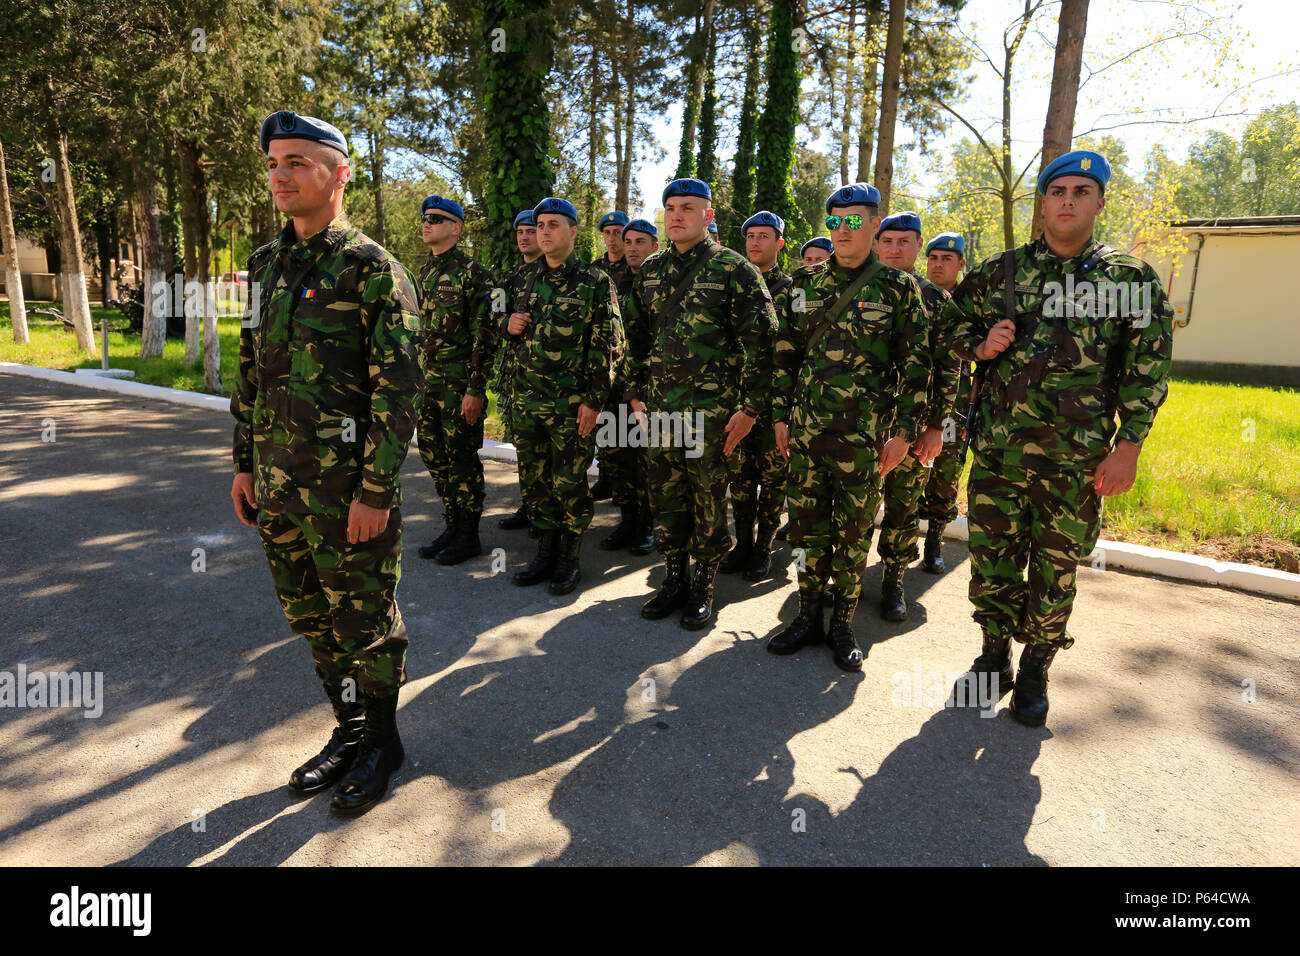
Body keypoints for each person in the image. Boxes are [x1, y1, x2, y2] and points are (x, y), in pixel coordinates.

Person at [230, 110, 422, 814]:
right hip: (280, 487)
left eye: (298, 162)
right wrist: (244, 464)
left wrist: (375, 491)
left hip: (349, 496)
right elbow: (250, 374)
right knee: (313, 620)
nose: (281, 175)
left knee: (365, 625)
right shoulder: (264, 266)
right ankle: (349, 730)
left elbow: (399, 392)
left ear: (340, 175)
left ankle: (384, 744)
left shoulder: (372, 270)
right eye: (274, 163)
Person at [946, 149, 1174, 725]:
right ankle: (992, 657)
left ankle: (1035, 668)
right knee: (993, 560)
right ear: (1042, 202)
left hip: (1076, 461)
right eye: (1057, 191)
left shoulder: (1128, 280)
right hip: (999, 452)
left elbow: (1147, 366)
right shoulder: (1000, 272)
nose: (1067, 201)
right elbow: (944, 326)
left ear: (1099, 201)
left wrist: (1131, 446)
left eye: (1080, 191)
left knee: (1057, 567)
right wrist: (977, 345)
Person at [767, 183, 930, 670]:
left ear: (875, 225)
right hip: (808, 433)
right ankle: (806, 614)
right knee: (805, 531)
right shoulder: (804, 285)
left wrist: (903, 433)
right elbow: (784, 356)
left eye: (853, 220)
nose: (842, 230)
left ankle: (843, 623)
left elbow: (916, 367)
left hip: (865, 441)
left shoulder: (900, 289)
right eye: (834, 221)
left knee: (854, 534)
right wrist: (779, 416)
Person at [622, 178, 777, 630]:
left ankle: (704, 584)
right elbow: (631, 338)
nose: (676, 215)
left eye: (687, 207)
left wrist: (750, 410)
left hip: (712, 416)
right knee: (666, 498)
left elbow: (763, 344)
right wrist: (633, 395)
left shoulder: (734, 270)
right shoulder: (650, 271)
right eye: (670, 207)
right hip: (658, 413)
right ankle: (673, 579)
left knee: (708, 502)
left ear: (708, 216)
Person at [505, 197, 624, 595]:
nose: (544, 231)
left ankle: (570, 559)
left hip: (570, 407)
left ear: (573, 232)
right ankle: (545, 551)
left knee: (569, 483)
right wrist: (506, 322)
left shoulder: (593, 282)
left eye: (553, 224)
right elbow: (492, 321)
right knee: (534, 482)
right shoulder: (521, 279)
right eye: (540, 225)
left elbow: (609, 345)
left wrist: (593, 401)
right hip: (527, 402)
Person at [873, 211, 958, 619]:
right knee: (852, 509)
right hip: (860, 424)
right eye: (887, 240)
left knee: (903, 506)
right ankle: (844, 584)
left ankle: (893, 581)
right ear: (876, 242)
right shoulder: (858, 289)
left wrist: (935, 427)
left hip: (912, 426)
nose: (894, 248)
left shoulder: (936, 299)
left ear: (917, 246)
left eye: (904, 241)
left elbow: (948, 367)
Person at [413, 195, 497, 565]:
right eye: (424, 218)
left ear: (456, 228)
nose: (426, 223)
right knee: (435, 457)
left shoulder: (475, 274)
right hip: (425, 386)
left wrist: (475, 389)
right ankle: (452, 524)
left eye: (435, 218)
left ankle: (469, 535)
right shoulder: (422, 273)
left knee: (462, 460)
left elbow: (486, 336)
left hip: (458, 386)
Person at [721, 210, 791, 581]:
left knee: (774, 480)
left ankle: (764, 548)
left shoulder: (794, 290)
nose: (755, 243)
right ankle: (743, 544)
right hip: (738, 401)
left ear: (779, 243)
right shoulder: (733, 283)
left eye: (764, 236)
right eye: (750, 236)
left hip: (775, 404)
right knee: (742, 479)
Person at [597, 218, 659, 555]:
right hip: (614, 390)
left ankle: (648, 526)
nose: (632, 248)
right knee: (618, 459)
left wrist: (637, 391)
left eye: (640, 242)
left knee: (647, 461)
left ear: (654, 246)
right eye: (629, 242)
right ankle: (628, 520)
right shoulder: (611, 281)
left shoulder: (661, 283)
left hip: (649, 394)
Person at [917, 231, 969, 573]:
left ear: (961, 264)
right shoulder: (917, 294)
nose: (938, 265)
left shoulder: (973, 302)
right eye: (933, 258)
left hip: (957, 405)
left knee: (946, 474)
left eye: (947, 259)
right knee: (907, 478)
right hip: (916, 401)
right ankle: (902, 541)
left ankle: (935, 540)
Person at [497, 209, 543, 532]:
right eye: (520, 232)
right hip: (517, 377)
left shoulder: (554, 272)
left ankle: (548, 516)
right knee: (524, 447)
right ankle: (530, 505)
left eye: (530, 231)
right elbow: (493, 314)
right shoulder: (510, 277)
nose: (525, 237)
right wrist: (505, 323)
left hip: (547, 379)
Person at [590, 210, 633, 503]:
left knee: (626, 430)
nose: (613, 238)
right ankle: (605, 478)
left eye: (618, 232)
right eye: (608, 232)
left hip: (628, 359)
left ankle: (623, 486)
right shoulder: (594, 270)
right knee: (604, 424)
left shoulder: (636, 270)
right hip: (603, 356)